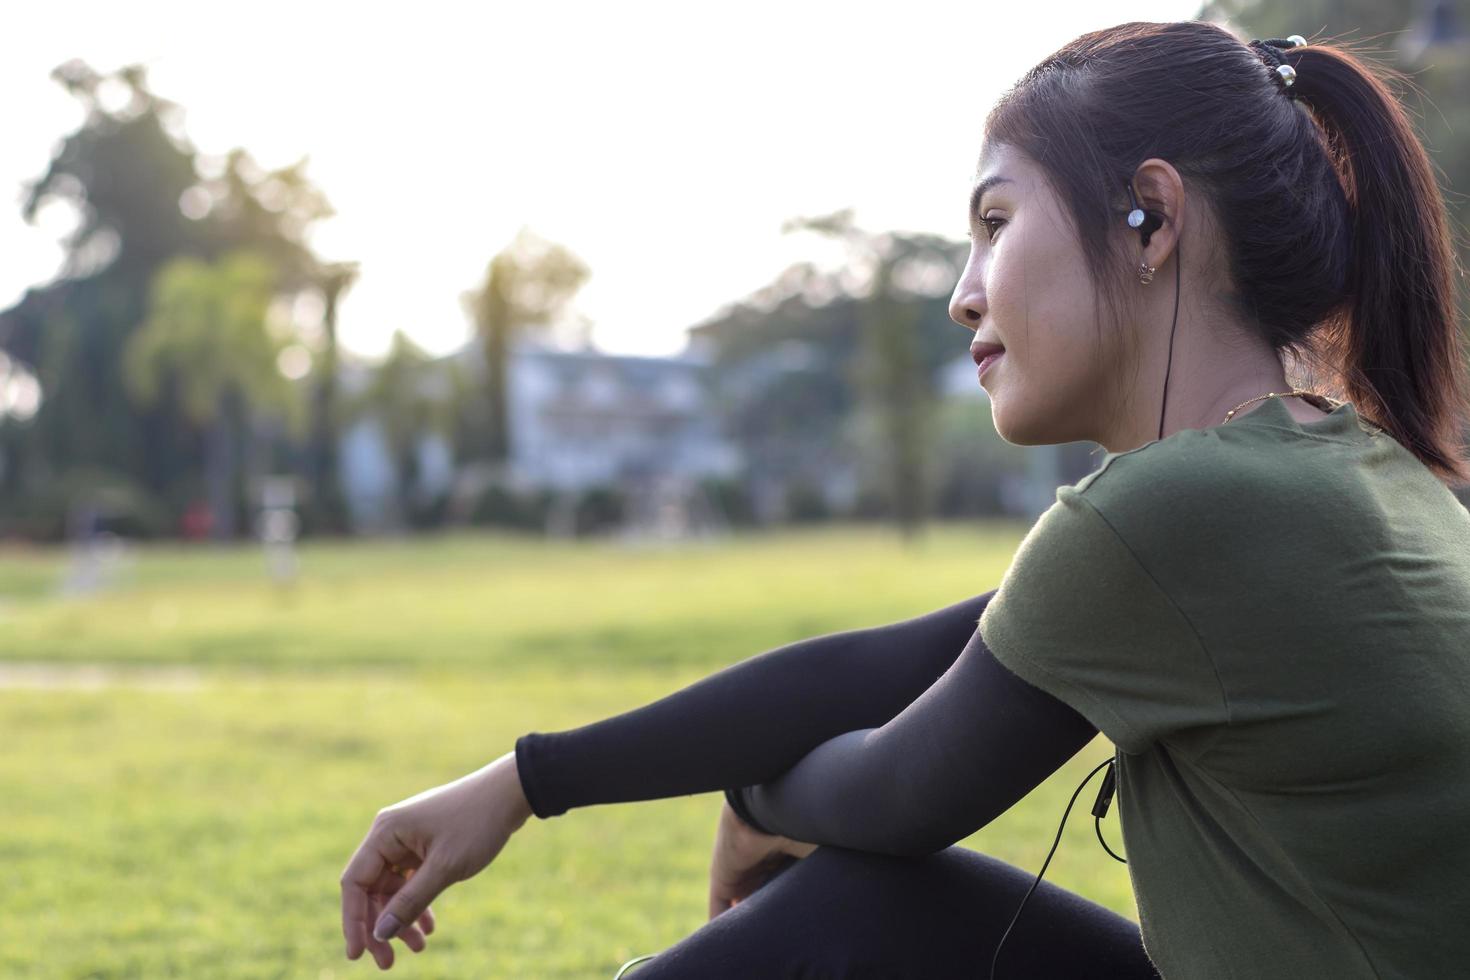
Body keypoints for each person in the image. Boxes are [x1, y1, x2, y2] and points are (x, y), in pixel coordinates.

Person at [339, 20, 1470, 977]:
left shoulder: (1179, 509)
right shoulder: (1346, 471)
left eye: (994, 224)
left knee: (857, 895)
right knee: (874, 905)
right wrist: (526, 780)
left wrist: (755, 800)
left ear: (1152, 220)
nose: (963, 295)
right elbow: (886, 666)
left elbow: (898, 791)